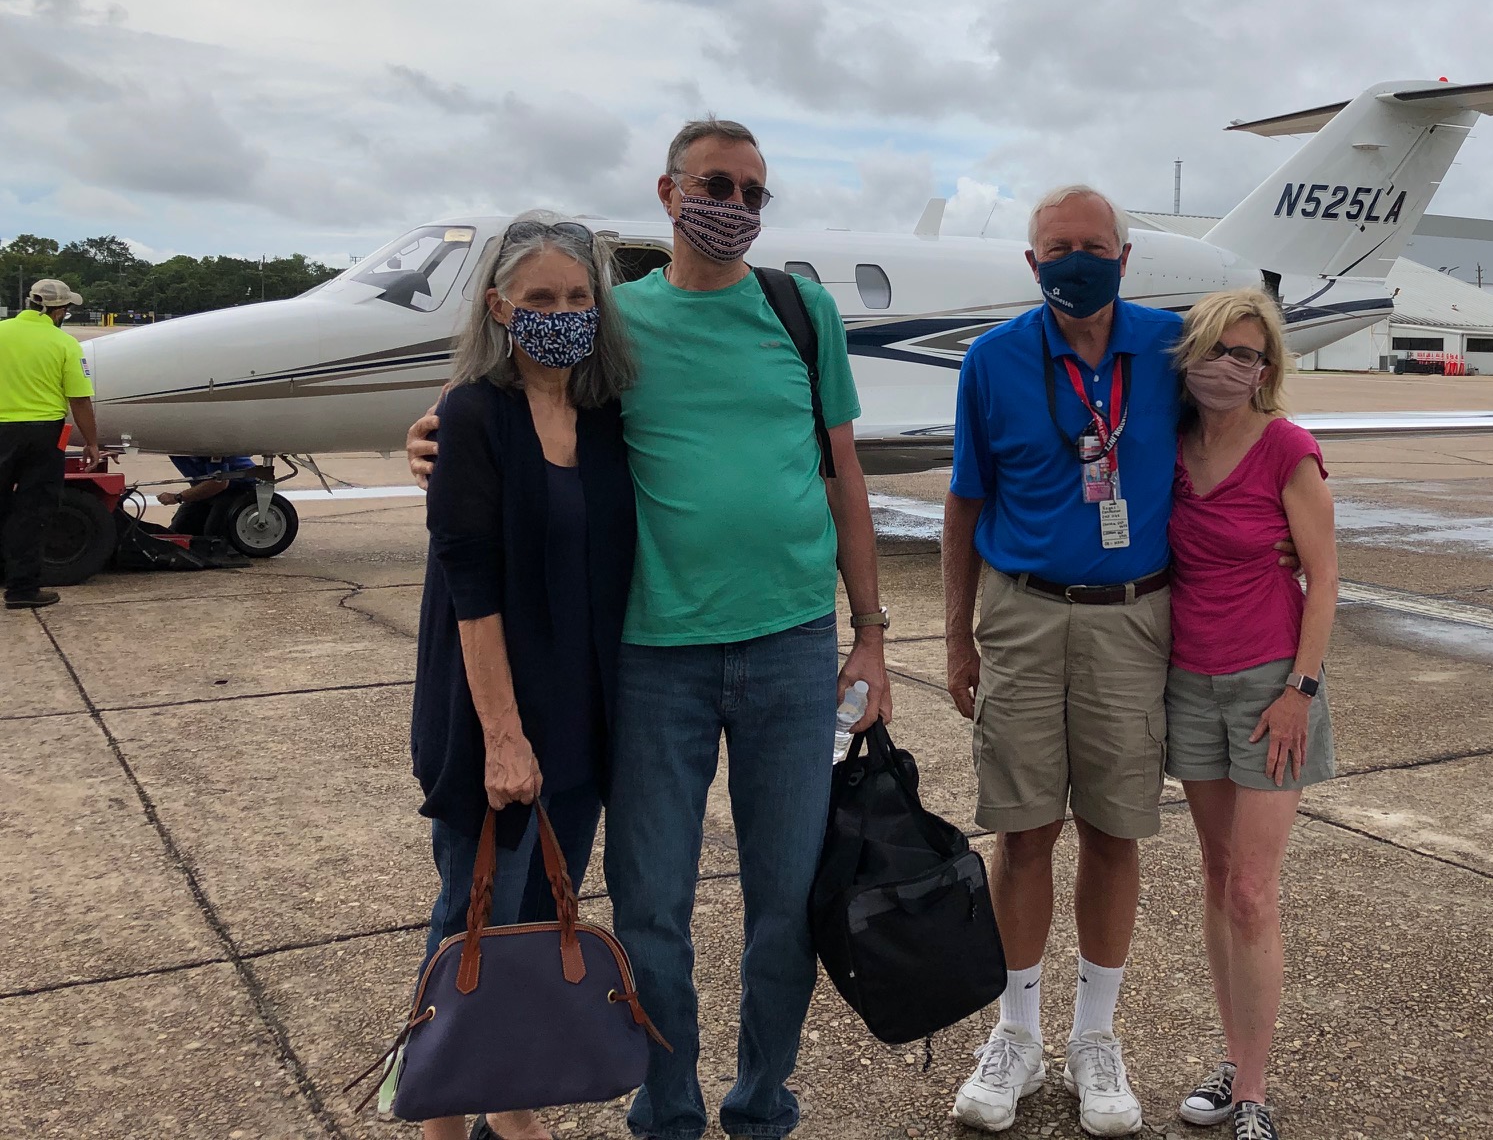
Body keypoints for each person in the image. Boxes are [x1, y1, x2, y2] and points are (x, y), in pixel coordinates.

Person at [408, 121, 890, 1140]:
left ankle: (763, 1103)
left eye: (757, 193)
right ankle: (666, 1110)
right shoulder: (612, 324)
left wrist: (872, 632)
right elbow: (521, 415)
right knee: (651, 912)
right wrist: (437, 435)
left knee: (784, 908)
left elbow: (845, 476)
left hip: (795, 648)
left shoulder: (799, 312)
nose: (739, 207)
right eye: (718, 185)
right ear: (670, 194)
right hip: (656, 658)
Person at [942, 185, 1182, 1137]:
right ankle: (1017, 1033)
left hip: (1133, 618)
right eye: (1056, 248)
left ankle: (1095, 1035)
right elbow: (964, 503)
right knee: (1025, 828)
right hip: (1025, 615)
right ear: (1031, 262)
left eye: (1093, 246)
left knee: (1116, 829)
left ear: (1124, 259)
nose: (1074, 261)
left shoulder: (1172, 349)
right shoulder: (994, 360)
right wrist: (955, 635)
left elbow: (1247, 434)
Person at [407, 215, 640, 1140]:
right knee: (475, 919)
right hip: (491, 709)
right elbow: (472, 582)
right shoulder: (473, 414)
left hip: (581, 710)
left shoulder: (609, 417)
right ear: (500, 306)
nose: (562, 314)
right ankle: (439, 1111)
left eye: (579, 298)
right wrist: (504, 737)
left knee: (546, 915)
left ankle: (511, 1100)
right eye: (540, 299)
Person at [1163, 290, 1336, 1140]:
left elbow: (1326, 576)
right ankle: (1232, 1058)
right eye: (1223, 352)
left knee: (1253, 889)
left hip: (1271, 686)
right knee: (1215, 874)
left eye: (1253, 357)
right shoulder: (1171, 445)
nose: (1237, 369)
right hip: (1189, 683)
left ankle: (1256, 1091)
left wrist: (1301, 691)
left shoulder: (1287, 449)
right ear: (1191, 352)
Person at [0, 278, 102, 611]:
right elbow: (79, 399)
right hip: (43, 436)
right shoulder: (64, 344)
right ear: (57, 310)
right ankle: (21, 589)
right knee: (32, 512)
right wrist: (91, 443)